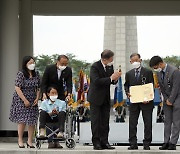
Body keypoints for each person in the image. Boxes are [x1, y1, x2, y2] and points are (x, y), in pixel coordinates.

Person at [87, 49, 121, 150]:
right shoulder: (95, 66)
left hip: (106, 98)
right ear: (105, 59)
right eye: (111, 59)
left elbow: (110, 81)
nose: (112, 61)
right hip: (95, 98)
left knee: (105, 122)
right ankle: (96, 142)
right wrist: (111, 78)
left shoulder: (110, 66)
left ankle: (104, 141)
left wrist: (115, 79)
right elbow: (96, 81)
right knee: (96, 122)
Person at [149, 56, 180, 150]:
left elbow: (176, 87)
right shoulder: (159, 73)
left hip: (177, 99)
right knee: (167, 122)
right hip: (166, 101)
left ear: (160, 64)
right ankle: (166, 141)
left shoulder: (174, 71)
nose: (155, 69)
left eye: (155, 67)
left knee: (176, 122)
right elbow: (161, 88)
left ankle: (173, 143)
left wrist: (171, 100)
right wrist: (166, 99)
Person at [124, 53, 154, 150]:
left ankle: (147, 143)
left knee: (147, 123)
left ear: (140, 60)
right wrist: (127, 92)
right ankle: (133, 143)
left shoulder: (148, 72)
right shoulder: (129, 74)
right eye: (133, 61)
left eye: (137, 60)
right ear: (130, 62)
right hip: (134, 102)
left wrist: (148, 98)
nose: (135, 62)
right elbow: (126, 85)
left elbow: (151, 86)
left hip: (146, 102)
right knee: (132, 123)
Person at [9, 56, 40, 148]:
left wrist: (37, 98)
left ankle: (30, 141)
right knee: (22, 120)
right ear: (25, 64)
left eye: (33, 62)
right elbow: (17, 88)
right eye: (30, 63)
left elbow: (38, 87)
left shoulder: (36, 74)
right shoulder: (21, 74)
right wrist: (25, 100)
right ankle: (20, 140)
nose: (32, 64)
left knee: (32, 120)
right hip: (21, 98)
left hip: (33, 98)